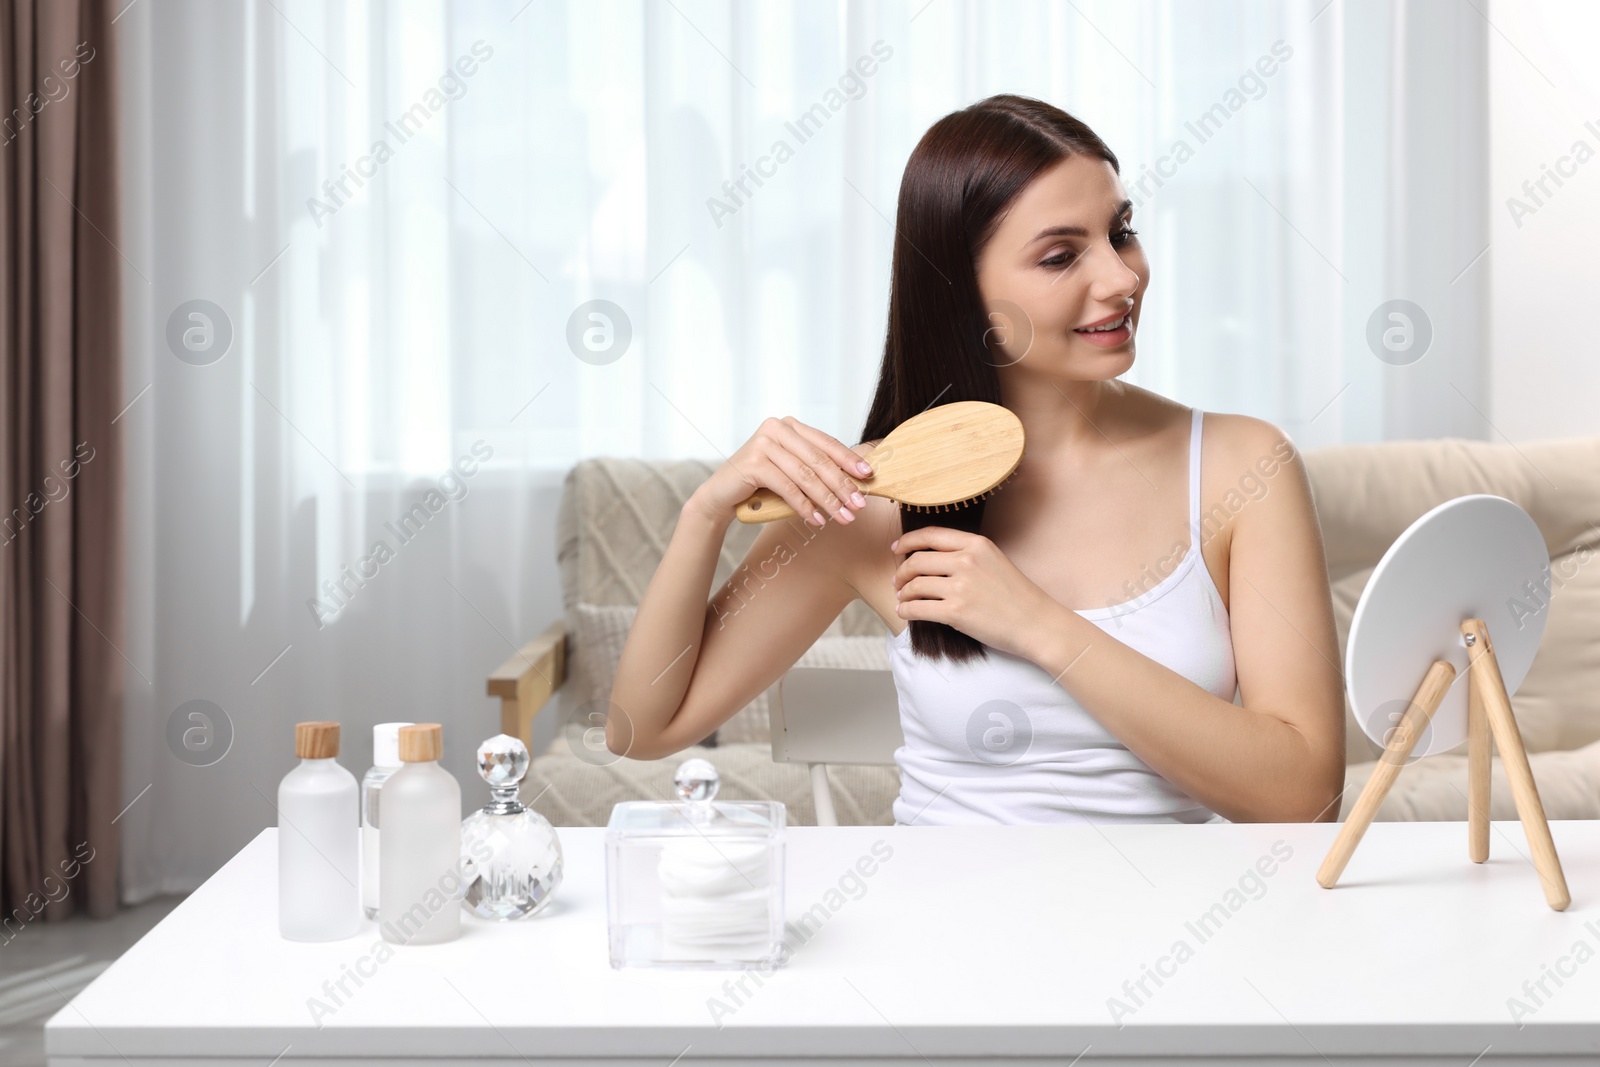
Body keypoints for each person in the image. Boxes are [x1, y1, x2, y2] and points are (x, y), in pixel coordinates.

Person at [608, 94, 1345, 825]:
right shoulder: (869, 497)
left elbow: (1305, 793)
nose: (1123, 277)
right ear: (963, 293)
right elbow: (644, 730)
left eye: (1121, 232)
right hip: (942, 932)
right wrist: (703, 514)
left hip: (1176, 927)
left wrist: (1039, 626)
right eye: (1062, 255)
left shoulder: (1243, 466)